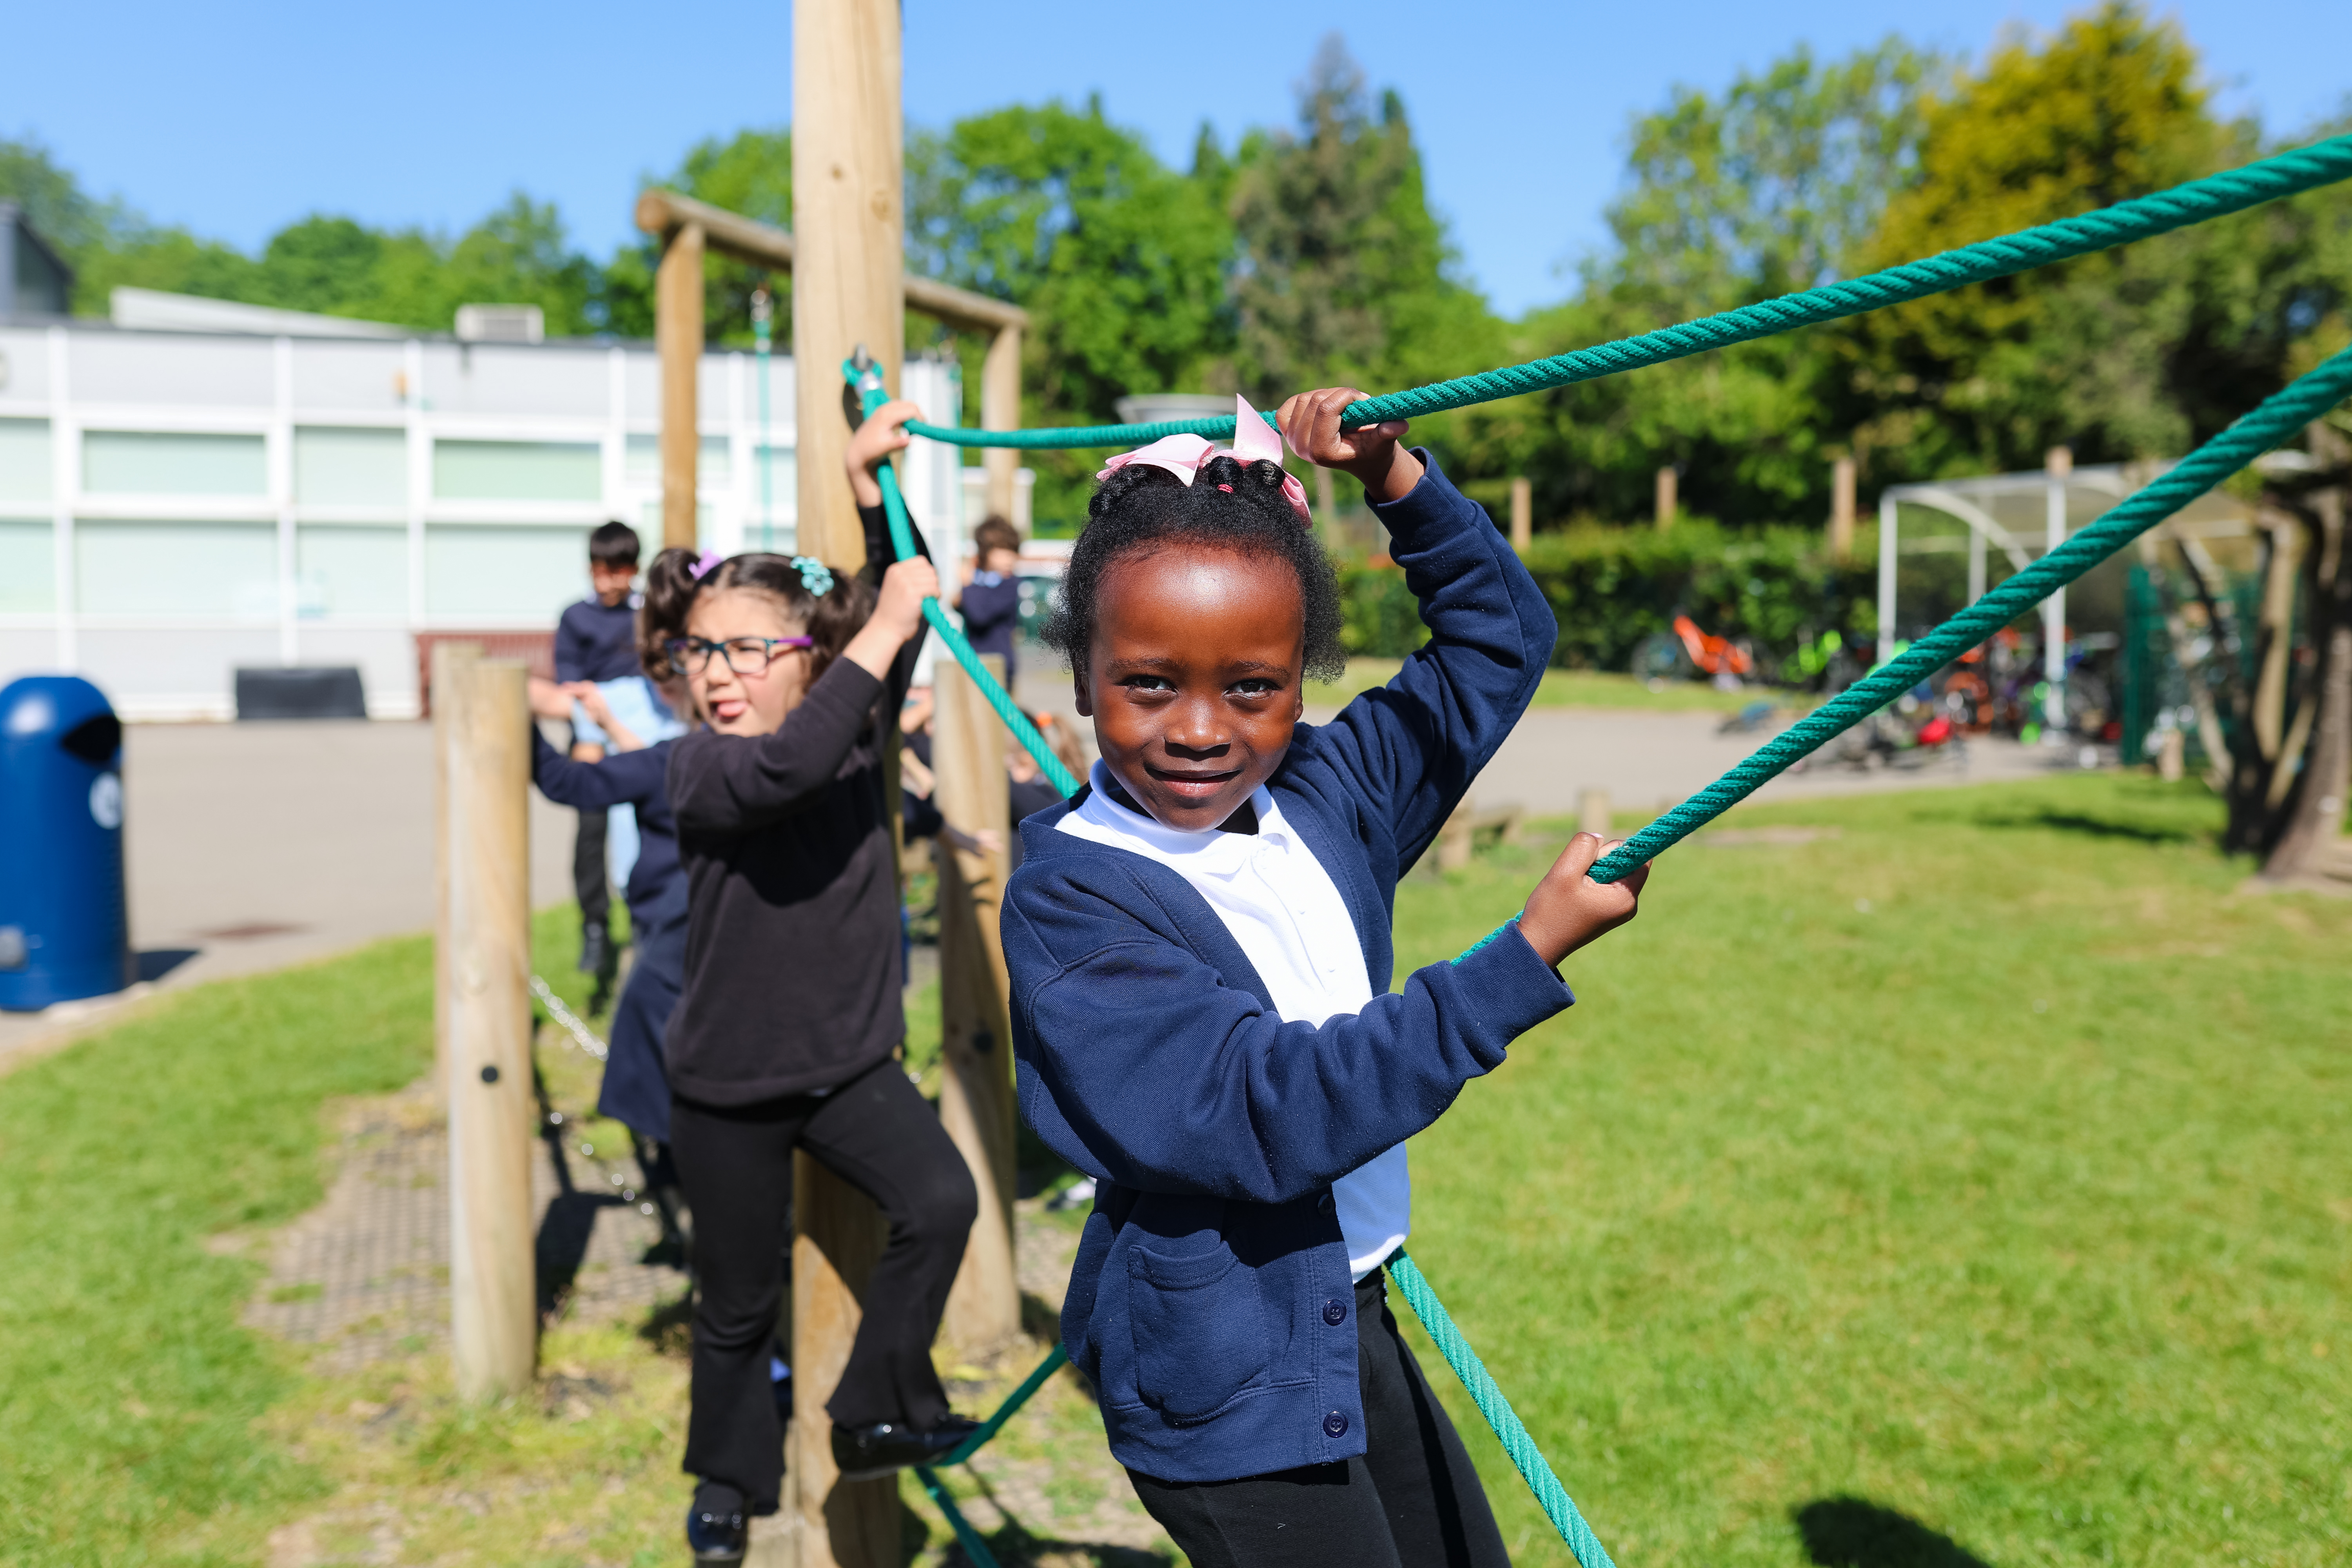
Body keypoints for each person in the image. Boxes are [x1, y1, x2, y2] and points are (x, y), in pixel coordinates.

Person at [1002, 390, 1653, 1568]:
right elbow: (1264, 1107)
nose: (1200, 728)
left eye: (1248, 685)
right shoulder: (1074, 899)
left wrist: (1396, 479)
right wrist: (1517, 963)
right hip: (1220, 1378)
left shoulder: (1323, 793)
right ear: (1083, 672)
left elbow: (1496, 642)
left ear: (1300, 682)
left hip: (1340, 1311)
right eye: (1148, 682)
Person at [652, 398, 982, 1565]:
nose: (720, 674)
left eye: (748, 648)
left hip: (845, 1067)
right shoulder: (700, 768)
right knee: (735, 1304)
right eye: (702, 652)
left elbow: (898, 612)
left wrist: (864, 497)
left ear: (809, 660)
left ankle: (872, 1404)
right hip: (726, 1085)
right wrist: (882, 629)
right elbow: (790, 760)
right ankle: (726, 1485)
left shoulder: (858, 725)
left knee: (940, 1203)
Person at [555, 520, 647, 993]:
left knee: (646, 823)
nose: (610, 580)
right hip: (593, 725)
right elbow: (568, 682)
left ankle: (643, 917)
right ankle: (595, 923)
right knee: (592, 828)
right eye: (602, 570)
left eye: (621, 570)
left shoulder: (646, 614)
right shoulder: (575, 617)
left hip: (639, 730)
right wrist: (590, 721)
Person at [955, 514, 1024, 684]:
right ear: (986, 553)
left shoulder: (1009, 584)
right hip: (974, 660)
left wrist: (967, 585)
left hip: (997, 664)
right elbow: (957, 603)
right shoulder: (981, 580)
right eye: (1003, 552)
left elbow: (979, 615)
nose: (1010, 558)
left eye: (1013, 552)